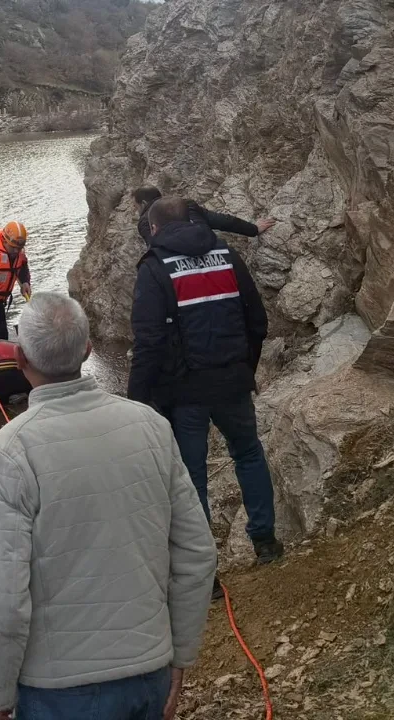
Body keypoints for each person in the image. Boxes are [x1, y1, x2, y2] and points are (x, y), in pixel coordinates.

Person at [0, 292, 217, 720]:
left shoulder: (11, 451)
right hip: (149, 673)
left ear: (18, 358)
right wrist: (180, 657)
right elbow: (197, 554)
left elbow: (3, 599)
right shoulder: (151, 426)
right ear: (87, 350)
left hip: (58, 693)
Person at [127, 196, 284, 583]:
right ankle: (266, 542)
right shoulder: (227, 256)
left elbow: (149, 343)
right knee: (249, 454)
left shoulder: (155, 267)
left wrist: (137, 402)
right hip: (232, 382)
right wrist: (245, 369)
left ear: (156, 229)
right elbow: (257, 321)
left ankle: (206, 577)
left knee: (191, 478)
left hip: (183, 396)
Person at [132, 186, 276, 244]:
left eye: (136, 207)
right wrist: (253, 229)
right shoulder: (186, 203)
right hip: (211, 253)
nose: (136, 211)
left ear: (143, 203)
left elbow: (156, 250)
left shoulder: (146, 221)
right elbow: (221, 220)